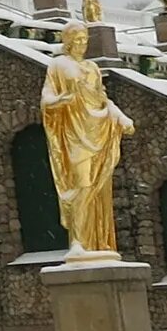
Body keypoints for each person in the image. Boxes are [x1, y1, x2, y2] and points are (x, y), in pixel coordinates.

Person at [38, 22, 131, 259]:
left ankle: (98, 242)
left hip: (97, 130)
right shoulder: (58, 65)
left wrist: (121, 118)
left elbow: (102, 100)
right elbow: (46, 101)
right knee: (83, 185)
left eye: (84, 40)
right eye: (76, 40)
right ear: (67, 42)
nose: (81, 45)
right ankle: (78, 241)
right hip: (75, 134)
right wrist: (63, 99)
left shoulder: (92, 67)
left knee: (100, 190)